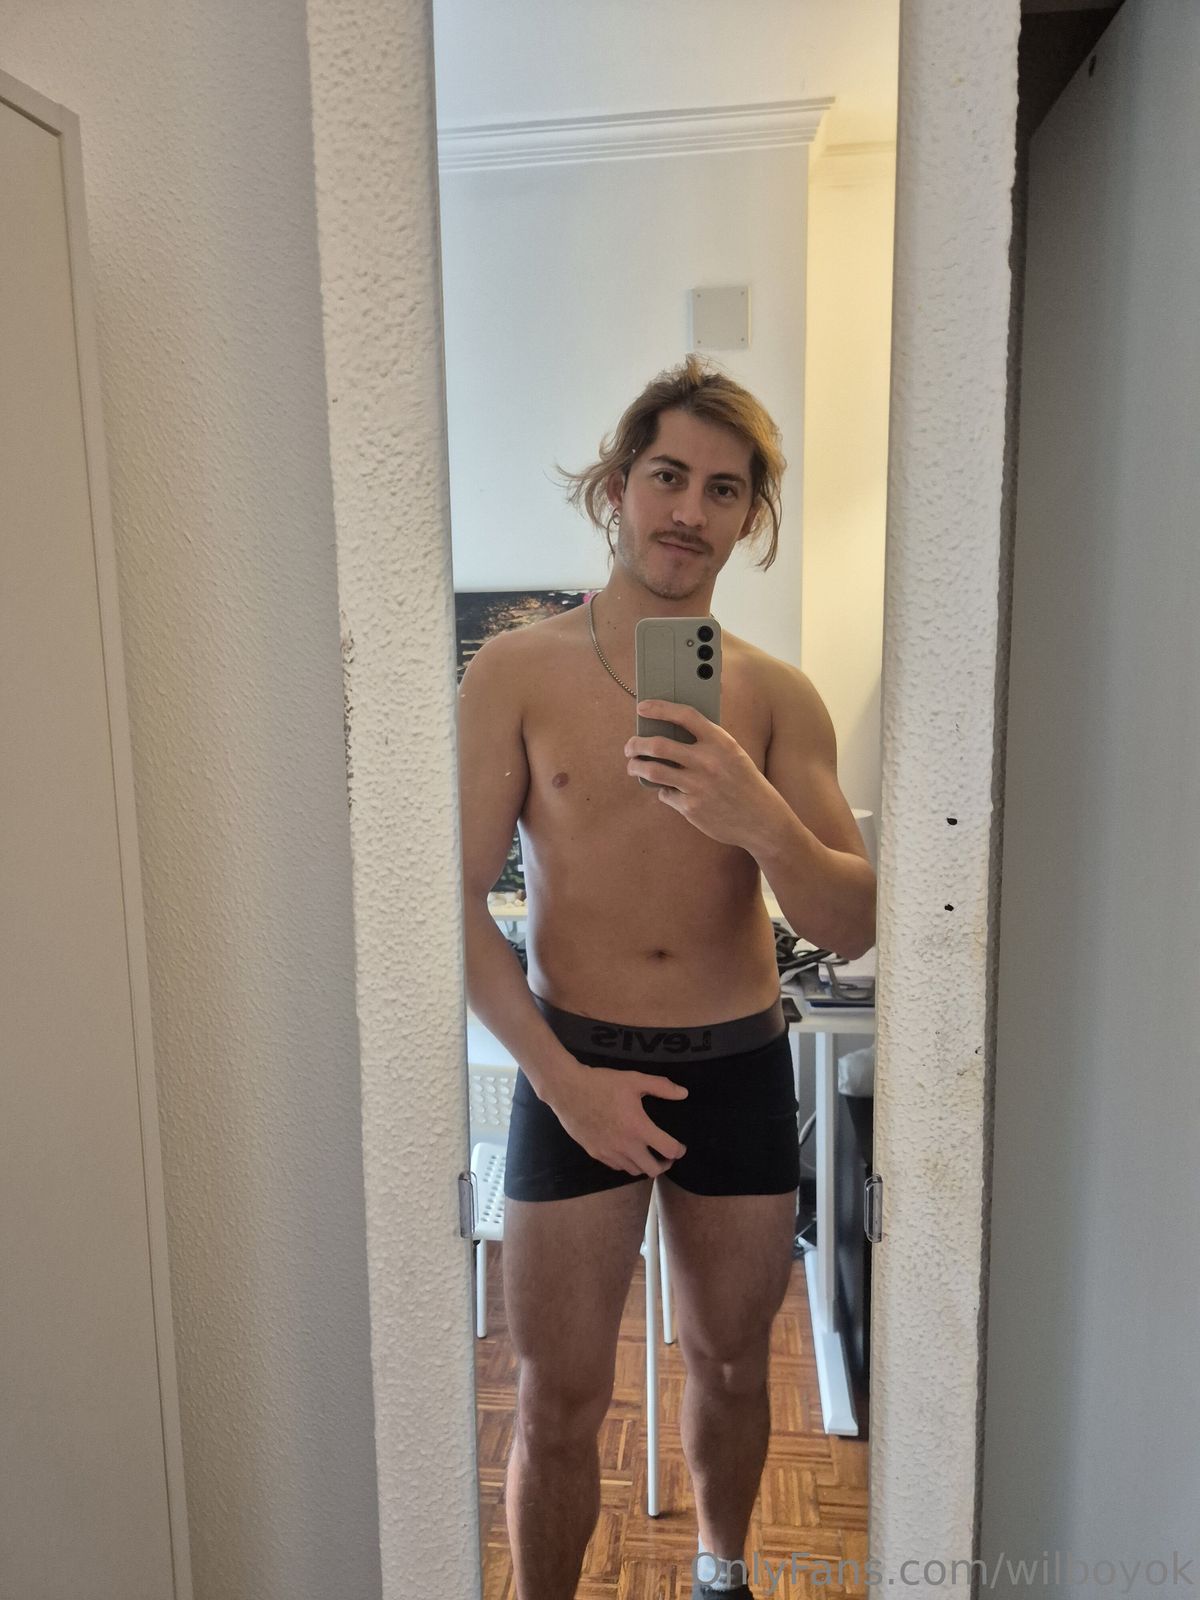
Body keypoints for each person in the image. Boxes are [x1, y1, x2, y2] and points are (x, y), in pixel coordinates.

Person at [457, 355, 876, 1600]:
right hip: (572, 1065)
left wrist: (759, 817)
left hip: (735, 1066)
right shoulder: (514, 673)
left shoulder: (777, 696)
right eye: (668, 476)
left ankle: (718, 1575)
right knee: (557, 1395)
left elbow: (850, 922)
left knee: (734, 1364)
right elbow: (455, 903)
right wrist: (563, 1083)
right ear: (617, 487)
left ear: (751, 520)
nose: (690, 510)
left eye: (724, 489)